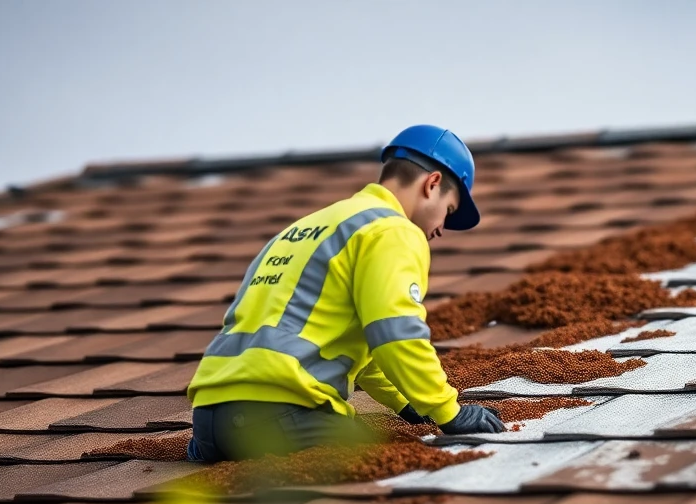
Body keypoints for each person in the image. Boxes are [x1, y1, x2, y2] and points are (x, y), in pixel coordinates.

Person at [185, 125, 505, 463]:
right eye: (449, 211)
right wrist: (447, 411)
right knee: (385, 461)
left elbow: (356, 347)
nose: (440, 228)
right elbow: (395, 334)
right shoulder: (392, 231)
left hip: (209, 423)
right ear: (432, 184)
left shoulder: (307, 227)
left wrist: (407, 402)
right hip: (279, 414)